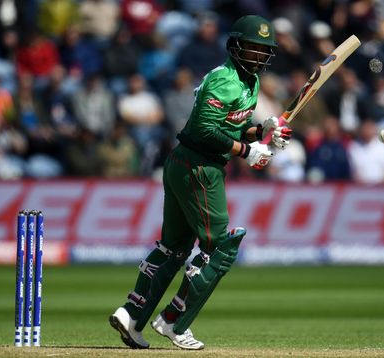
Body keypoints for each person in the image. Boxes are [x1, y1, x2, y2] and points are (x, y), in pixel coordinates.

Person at [109, 15, 292, 350]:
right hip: (199, 169)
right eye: (251, 47)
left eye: (262, 50)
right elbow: (205, 130)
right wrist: (246, 150)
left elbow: (229, 126)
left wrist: (261, 132)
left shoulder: (247, 81)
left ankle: (131, 314)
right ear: (235, 46)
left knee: (174, 247)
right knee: (219, 247)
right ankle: (174, 321)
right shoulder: (224, 79)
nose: (257, 55)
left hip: (184, 164)